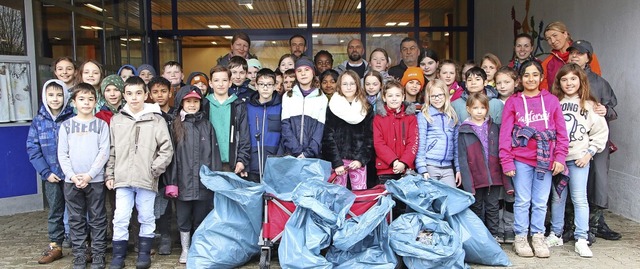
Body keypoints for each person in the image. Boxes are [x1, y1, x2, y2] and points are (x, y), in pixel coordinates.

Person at [499, 60, 568, 258]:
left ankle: (538, 236)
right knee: (522, 200)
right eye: (527, 75)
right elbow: (505, 133)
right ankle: (520, 237)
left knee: (540, 201)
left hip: (545, 160)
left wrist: (560, 157)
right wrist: (506, 159)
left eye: (535, 74)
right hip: (521, 158)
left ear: (541, 77)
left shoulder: (552, 101)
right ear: (520, 79)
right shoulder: (514, 101)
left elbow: (562, 133)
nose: (531, 79)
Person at [106, 77, 174, 269]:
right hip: (122, 178)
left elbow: (166, 149)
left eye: (138, 93)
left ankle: (144, 254)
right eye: (129, 93)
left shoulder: (156, 120)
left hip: (146, 178)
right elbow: (112, 150)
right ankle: (118, 256)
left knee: (146, 216)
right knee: (120, 217)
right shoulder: (117, 120)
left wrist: (155, 169)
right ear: (124, 95)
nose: (134, 98)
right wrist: (110, 174)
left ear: (146, 95)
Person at [548, 63, 609, 258]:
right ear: (559, 82)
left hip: (578, 159)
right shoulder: (553, 102)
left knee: (579, 198)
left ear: (581, 81)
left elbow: (600, 132)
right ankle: (555, 233)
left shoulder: (590, 105)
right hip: (558, 160)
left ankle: (581, 237)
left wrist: (589, 153)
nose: (569, 83)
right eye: (564, 79)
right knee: (557, 198)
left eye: (573, 79)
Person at [568, 40, 621, 241]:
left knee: (598, 178)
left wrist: (606, 110)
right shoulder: (565, 79)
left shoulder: (600, 82)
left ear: (588, 57)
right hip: (572, 140)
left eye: (580, 54)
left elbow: (613, 109)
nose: (575, 56)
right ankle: (569, 222)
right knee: (569, 179)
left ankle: (597, 222)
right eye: (572, 53)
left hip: (596, 140)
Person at [58, 83, 110, 269]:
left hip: (94, 181)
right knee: (76, 219)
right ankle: (79, 255)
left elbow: (104, 152)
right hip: (71, 182)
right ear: (73, 102)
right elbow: (62, 154)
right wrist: (72, 176)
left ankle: (98, 255)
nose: (86, 103)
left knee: (97, 218)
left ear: (96, 102)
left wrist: (89, 175)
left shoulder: (101, 125)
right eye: (81, 99)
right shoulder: (66, 126)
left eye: (90, 99)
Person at [165, 85, 219, 263]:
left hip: (202, 181)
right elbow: (171, 157)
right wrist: (172, 182)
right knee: (183, 217)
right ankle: (185, 249)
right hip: (182, 182)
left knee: (201, 216)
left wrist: (213, 178)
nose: (192, 105)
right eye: (188, 101)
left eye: (195, 101)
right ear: (181, 103)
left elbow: (214, 154)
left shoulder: (207, 125)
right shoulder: (175, 126)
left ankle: (198, 247)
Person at [27, 79, 74, 265]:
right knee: (55, 211)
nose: (55, 99)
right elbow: (33, 148)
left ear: (66, 96)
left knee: (77, 210)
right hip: (52, 176)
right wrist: (45, 172)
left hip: (72, 175)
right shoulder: (39, 121)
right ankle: (56, 245)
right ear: (44, 97)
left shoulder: (72, 118)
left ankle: (82, 244)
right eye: (51, 95)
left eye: (59, 95)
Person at [458, 92, 513, 242]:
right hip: (476, 175)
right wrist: (467, 183)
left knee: (493, 206)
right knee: (476, 206)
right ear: (468, 109)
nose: (479, 111)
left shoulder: (494, 127)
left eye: (482, 107)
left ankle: (494, 235)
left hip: (493, 174)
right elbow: (462, 158)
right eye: (475, 108)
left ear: (487, 109)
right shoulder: (464, 130)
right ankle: (480, 236)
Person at [322, 70, 373, 190]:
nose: (349, 87)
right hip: (339, 160)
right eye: (345, 84)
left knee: (359, 196)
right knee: (338, 196)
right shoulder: (333, 106)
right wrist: (336, 163)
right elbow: (328, 137)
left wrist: (361, 160)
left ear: (357, 85)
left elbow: (369, 137)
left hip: (357, 161)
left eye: (352, 83)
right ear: (339, 86)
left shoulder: (366, 107)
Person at [373, 80, 418, 217]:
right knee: (389, 207)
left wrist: (404, 162)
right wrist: (394, 161)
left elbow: (413, 142)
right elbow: (378, 143)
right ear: (384, 97)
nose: (394, 99)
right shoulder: (378, 119)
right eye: (390, 95)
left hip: (405, 170)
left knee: (405, 206)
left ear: (403, 97)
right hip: (386, 169)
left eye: (397, 95)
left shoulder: (410, 117)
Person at [414, 79, 460, 188]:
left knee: (451, 199)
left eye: (440, 95)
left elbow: (457, 144)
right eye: (433, 96)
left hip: (448, 167)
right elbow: (421, 142)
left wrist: (458, 168)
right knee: (431, 200)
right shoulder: (424, 115)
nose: (437, 98)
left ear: (446, 95)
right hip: (430, 165)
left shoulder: (452, 116)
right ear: (428, 98)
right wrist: (422, 168)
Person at [206, 66, 250, 175]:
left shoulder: (238, 105)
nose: (220, 84)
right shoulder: (204, 105)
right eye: (216, 80)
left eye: (224, 80)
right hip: (209, 162)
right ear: (210, 83)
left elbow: (244, 135)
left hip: (232, 164)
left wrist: (242, 159)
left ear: (230, 83)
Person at [281, 57, 328, 158]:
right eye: (299, 71)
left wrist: (308, 153)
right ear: (296, 74)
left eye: (307, 70)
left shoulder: (321, 97)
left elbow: (320, 129)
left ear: (313, 72)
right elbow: (285, 127)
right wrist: (297, 151)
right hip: (291, 154)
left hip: (313, 155)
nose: (303, 73)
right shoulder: (288, 96)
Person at [493, 66, 519, 243]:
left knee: (512, 193)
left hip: (516, 154)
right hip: (496, 154)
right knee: (499, 194)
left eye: (506, 82)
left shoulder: (520, 101)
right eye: (499, 83)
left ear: (516, 82)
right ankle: (499, 228)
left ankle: (510, 227)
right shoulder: (493, 103)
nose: (502, 86)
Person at [246, 68, 282, 182]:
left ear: (275, 86)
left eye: (269, 84)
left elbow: (285, 134)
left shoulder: (282, 106)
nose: (265, 88)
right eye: (261, 84)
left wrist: (279, 159)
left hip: (275, 165)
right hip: (252, 164)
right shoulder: (247, 107)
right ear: (255, 85)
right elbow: (243, 135)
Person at [541, 21, 601, 90]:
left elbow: (597, 80)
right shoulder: (547, 63)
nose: (553, 41)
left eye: (555, 35)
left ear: (565, 34)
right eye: (548, 39)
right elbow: (544, 90)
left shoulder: (585, 53)